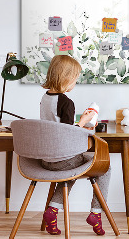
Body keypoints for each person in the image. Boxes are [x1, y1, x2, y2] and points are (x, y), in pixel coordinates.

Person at [40, 55, 110, 236]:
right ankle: (96, 213)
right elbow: (68, 134)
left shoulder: (45, 98)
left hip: (46, 159)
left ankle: (52, 211)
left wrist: (80, 123)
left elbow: (57, 127)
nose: (75, 83)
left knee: (70, 170)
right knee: (105, 167)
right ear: (66, 78)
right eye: (75, 79)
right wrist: (85, 121)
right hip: (63, 159)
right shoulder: (66, 102)